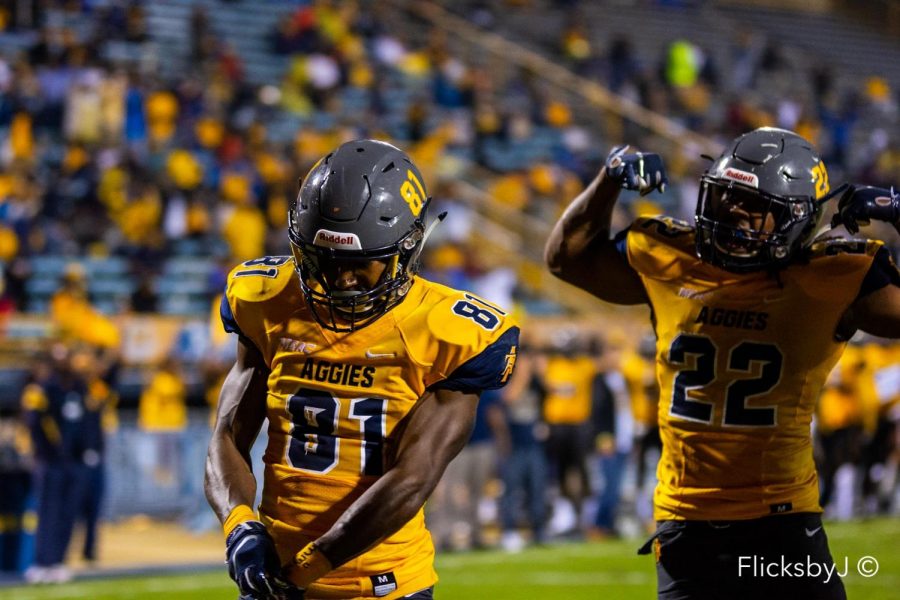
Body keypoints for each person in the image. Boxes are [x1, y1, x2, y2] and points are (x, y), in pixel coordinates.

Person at [545, 126, 900, 599]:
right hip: (685, 526)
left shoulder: (831, 277)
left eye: (755, 208)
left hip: (779, 524)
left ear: (798, 218)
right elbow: (565, 259)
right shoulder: (675, 258)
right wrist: (608, 179)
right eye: (725, 199)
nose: (734, 216)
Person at [205, 139, 520, 600]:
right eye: (323, 262)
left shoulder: (449, 332)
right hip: (275, 575)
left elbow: (412, 479)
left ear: (408, 249)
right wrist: (239, 527)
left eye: (358, 265)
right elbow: (228, 435)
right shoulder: (266, 299)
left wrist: (304, 570)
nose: (340, 282)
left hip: (382, 585)